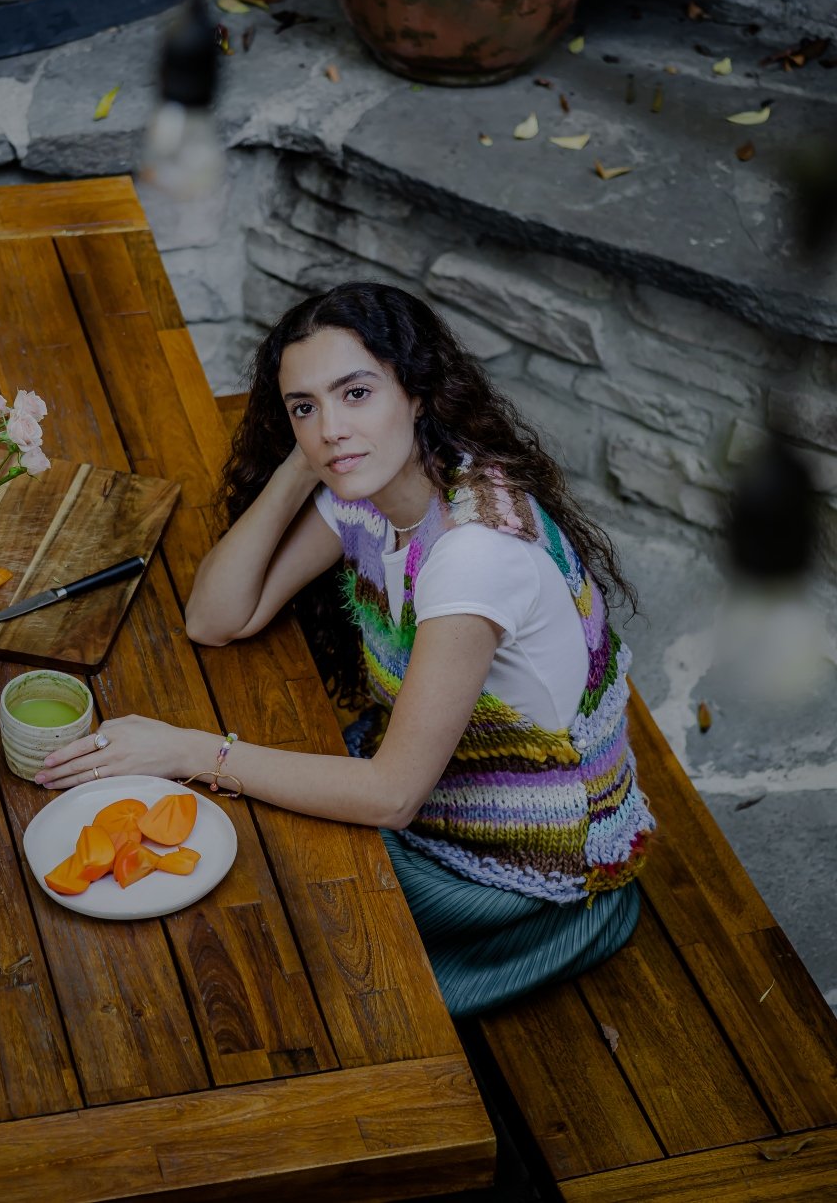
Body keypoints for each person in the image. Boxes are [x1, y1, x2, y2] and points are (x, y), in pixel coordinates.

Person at [37, 282, 655, 1016]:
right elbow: (216, 616)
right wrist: (311, 457)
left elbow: (391, 796)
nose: (331, 425)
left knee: (255, 927)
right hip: (436, 808)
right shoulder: (372, 492)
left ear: (418, 393)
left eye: (355, 393)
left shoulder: (475, 551)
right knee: (213, 861)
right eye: (305, 406)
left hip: (520, 882)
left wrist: (191, 750)